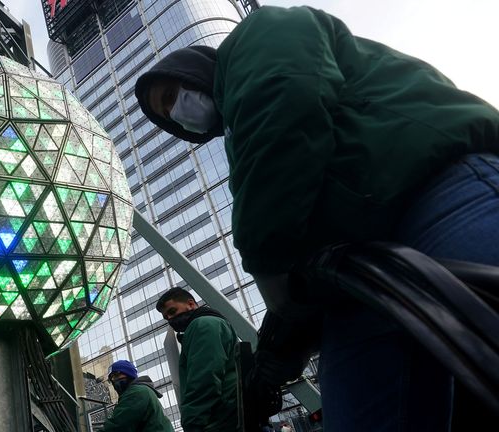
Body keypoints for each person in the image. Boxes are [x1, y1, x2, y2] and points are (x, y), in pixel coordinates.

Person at [135, 5, 499, 432]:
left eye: (172, 95)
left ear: (194, 69)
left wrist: (271, 272)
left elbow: (285, 108)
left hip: (436, 189)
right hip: (353, 272)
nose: (177, 111)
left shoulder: (257, 35)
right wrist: (282, 336)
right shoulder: (240, 141)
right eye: (167, 114)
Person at [155, 287, 238, 432]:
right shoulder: (210, 324)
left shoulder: (202, 325)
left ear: (191, 304)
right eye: (166, 317)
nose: (170, 318)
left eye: (172, 311)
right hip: (228, 415)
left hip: (222, 420)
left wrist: (192, 422)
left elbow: (204, 379)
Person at [101, 360, 174, 432]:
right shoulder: (141, 390)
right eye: (112, 378)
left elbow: (118, 425)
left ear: (129, 373)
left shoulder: (136, 393)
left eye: (117, 375)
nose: (114, 380)